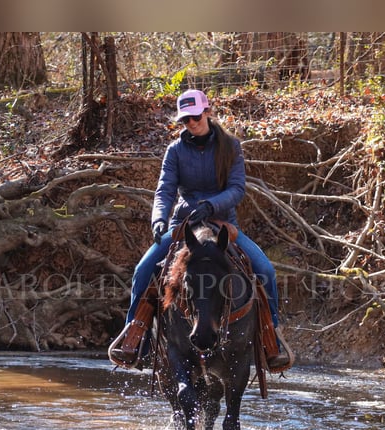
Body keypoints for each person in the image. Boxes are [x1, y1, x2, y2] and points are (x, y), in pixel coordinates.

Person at [108, 88, 293, 371]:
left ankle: (272, 340)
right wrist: (158, 219)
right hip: (184, 227)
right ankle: (135, 337)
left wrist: (211, 205)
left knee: (265, 270)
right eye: (185, 120)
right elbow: (164, 191)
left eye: (195, 117)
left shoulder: (230, 146)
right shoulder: (175, 150)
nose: (191, 124)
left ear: (207, 112)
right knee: (142, 270)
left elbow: (237, 188)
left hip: (223, 226)